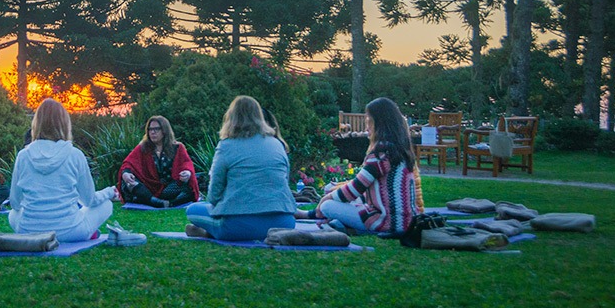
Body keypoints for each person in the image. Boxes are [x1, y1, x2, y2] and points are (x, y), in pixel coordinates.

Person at [184, 95, 296, 241]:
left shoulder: (226, 145)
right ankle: (210, 231)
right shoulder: (277, 145)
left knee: (192, 210)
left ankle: (209, 232)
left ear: (231, 117)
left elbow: (214, 193)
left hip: (238, 225)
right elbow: (283, 181)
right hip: (284, 224)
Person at [8, 98, 116, 242]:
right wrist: (109, 192)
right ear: (64, 124)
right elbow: (89, 200)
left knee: (12, 214)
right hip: (71, 231)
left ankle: (40, 225)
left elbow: (15, 203)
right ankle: (87, 231)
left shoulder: (23, 155)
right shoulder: (75, 154)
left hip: (29, 230)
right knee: (106, 204)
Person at [314, 97, 419, 235]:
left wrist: (324, 200)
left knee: (328, 205)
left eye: (369, 121)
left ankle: (348, 225)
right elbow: (366, 192)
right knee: (331, 191)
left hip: (387, 222)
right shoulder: (398, 150)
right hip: (407, 221)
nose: (366, 127)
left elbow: (354, 189)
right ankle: (343, 224)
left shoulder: (381, 153)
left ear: (379, 124)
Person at [118, 116, 199, 208]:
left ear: (165, 131)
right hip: (147, 188)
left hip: (169, 189)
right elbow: (128, 163)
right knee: (128, 183)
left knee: (188, 186)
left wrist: (187, 173)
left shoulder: (177, 147)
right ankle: (157, 202)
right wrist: (126, 173)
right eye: (150, 129)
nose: (152, 132)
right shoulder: (143, 147)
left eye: (156, 129)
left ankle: (165, 202)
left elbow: (186, 164)